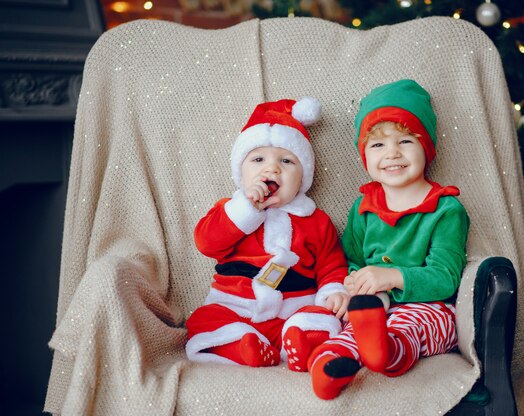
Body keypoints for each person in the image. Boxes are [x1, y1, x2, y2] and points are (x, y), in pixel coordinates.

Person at [308, 79, 470, 399]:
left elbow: (446, 277)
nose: (392, 153)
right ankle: (327, 369)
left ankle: (386, 352)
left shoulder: (445, 209)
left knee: (410, 326)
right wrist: (350, 284)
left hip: (428, 306)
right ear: (365, 156)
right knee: (347, 333)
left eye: (405, 141)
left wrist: (392, 276)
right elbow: (350, 259)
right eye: (378, 145)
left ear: (426, 147)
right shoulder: (363, 208)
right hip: (375, 309)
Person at [186, 97, 350, 371]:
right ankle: (241, 346)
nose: (271, 168)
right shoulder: (230, 211)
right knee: (204, 319)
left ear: (303, 177)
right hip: (236, 307)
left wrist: (333, 291)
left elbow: (332, 264)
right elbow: (206, 243)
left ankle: (299, 342)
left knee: (321, 318)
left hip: (292, 310)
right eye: (258, 159)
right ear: (241, 171)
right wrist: (245, 209)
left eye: (286, 161)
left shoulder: (316, 221)